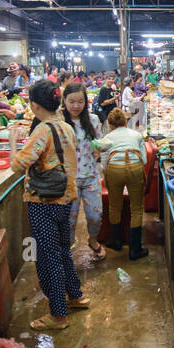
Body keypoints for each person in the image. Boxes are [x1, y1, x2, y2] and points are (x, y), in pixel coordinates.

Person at [9, 79, 87, 331]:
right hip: (65, 197)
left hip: (44, 201)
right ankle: (75, 296)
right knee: (63, 250)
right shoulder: (66, 126)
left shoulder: (42, 130)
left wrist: (13, 141)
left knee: (47, 256)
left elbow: (18, 164)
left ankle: (58, 314)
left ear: (34, 105)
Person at [93, 107, 149, 260]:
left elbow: (103, 163)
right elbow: (144, 160)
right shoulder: (136, 135)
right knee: (137, 209)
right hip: (135, 166)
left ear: (110, 125)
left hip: (114, 169)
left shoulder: (108, 137)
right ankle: (135, 249)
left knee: (114, 206)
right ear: (125, 122)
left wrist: (107, 175)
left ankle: (116, 242)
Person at [61, 82, 106, 261]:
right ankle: (69, 246)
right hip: (67, 179)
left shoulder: (93, 120)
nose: (76, 106)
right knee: (69, 220)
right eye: (71, 101)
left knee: (96, 215)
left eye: (80, 101)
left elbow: (100, 142)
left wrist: (100, 149)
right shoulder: (59, 120)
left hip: (91, 177)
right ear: (64, 101)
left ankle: (92, 240)